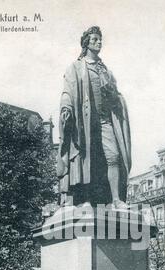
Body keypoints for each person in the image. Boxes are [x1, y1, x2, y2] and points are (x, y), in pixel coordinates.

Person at [57, 26, 131, 208]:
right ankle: (86, 199)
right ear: (86, 43)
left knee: (113, 156)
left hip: (106, 120)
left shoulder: (105, 71)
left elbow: (116, 97)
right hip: (85, 122)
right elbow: (68, 91)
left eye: (100, 39)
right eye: (94, 40)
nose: (98, 42)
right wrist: (66, 107)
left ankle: (115, 199)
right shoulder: (76, 67)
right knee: (87, 159)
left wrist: (115, 96)